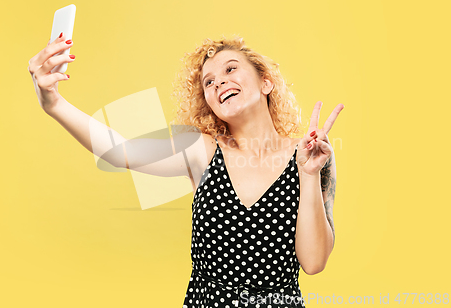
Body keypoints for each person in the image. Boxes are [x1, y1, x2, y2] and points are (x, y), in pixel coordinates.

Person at [28, 34, 344, 308]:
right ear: (209, 102)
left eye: (230, 69)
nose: (219, 81)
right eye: (209, 82)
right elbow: (118, 151)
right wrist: (53, 102)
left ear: (266, 82)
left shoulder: (311, 155)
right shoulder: (201, 149)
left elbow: (314, 262)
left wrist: (308, 172)